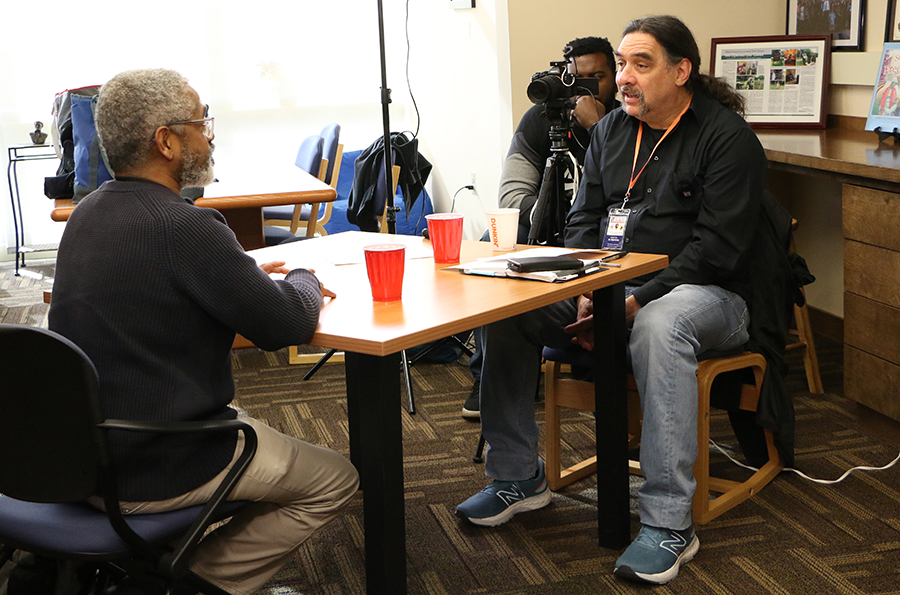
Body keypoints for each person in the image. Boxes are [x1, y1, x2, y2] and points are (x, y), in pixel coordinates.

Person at [456, 15, 772, 586]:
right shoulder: (611, 133)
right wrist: (579, 289)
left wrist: (629, 301)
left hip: (709, 298)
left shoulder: (727, 139)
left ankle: (669, 523)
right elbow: (584, 224)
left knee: (659, 322)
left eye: (640, 65)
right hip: (609, 286)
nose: (623, 78)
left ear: (682, 71)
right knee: (507, 303)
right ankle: (516, 478)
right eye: (622, 65)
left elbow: (716, 252)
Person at [48, 69, 359, 595]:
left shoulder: (87, 213)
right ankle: (192, 586)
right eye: (201, 122)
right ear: (166, 141)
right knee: (335, 480)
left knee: (250, 423)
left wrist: (237, 274)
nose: (210, 133)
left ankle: (159, 567)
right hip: (156, 463)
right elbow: (285, 323)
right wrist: (306, 277)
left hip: (75, 455)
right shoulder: (185, 226)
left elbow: (152, 284)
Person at [462, 36, 618, 419]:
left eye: (597, 77)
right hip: (550, 232)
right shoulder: (541, 120)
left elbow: (624, 191)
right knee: (492, 243)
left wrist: (597, 127)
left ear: (615, 78)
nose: (586, 88)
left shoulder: (624, 122)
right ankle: (489, 371)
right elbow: (512, 195)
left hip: (603, 239)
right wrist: (550, 221)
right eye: (577, 78)